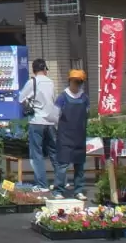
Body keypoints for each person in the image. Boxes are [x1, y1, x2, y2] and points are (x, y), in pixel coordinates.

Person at [18, 58, 59, 192]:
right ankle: (61, 181)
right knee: (54, 152)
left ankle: (42, 184)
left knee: (37, 154)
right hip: (51, 122)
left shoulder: (32, 82)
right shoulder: (51, 82)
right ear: (45, 69)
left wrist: (29, 103)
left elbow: (20, 98)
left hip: (37, 121)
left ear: (34, 70)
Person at [53, 69, 90, 200]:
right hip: (65, 135)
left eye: (80, 82)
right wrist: (59, 131)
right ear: (70, 81)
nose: (77, 84)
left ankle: (78, 190)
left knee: (79, 165)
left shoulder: (84, 98)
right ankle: (58, 190)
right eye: (75, 81)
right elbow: (55, 116)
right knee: (62, 165)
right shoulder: (62, 97)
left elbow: (87, 115)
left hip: (79, 135)